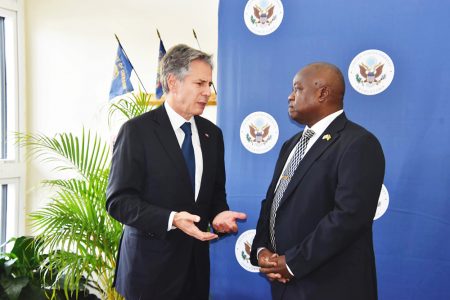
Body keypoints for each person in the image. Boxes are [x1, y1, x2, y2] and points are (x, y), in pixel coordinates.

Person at [106, 44, 246, 300]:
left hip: (194, 270)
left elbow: (215, 193)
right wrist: (171, 219)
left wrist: (219, 214)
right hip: (148, 271)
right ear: (173, 81)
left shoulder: (211, 135)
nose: (207, 92)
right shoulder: (137, 132)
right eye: (200, 84)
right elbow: (119, 202)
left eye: (209, 84)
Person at [250, 62, 385, 300]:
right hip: (284, 287)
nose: (290, 97)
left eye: (298, 89)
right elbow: (272, 203)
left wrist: (292, 263)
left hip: (330, 287)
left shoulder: (359, 144)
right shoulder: (290, 145)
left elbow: (348, 217)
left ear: (322, 93)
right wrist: (262, 250)